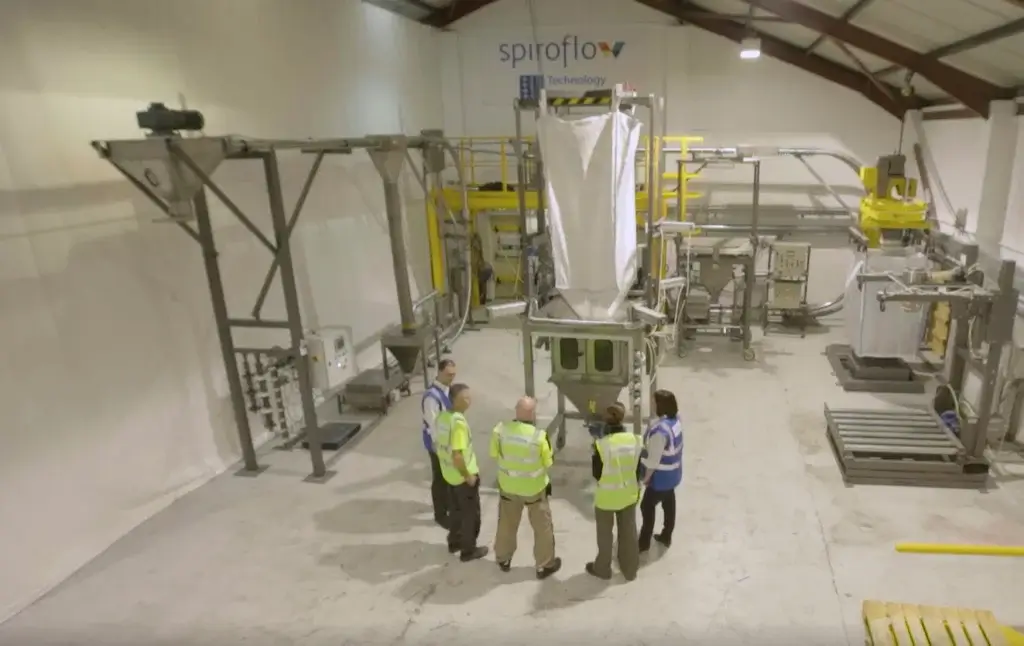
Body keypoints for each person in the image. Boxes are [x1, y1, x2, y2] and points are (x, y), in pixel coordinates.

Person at [490, 396, 562, 579]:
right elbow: (548, 462)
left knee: (506, 523)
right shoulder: (539, 437)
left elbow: (493, 454)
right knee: (542, 527)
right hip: (534, 490)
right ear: (532, 414)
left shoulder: (500, 431)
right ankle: (544, 564)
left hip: (508, 487)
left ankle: (503, 558)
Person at [586, 402, 643, 582]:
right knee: (629, 533)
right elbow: (638, 470)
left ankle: (602, 568)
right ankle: (630, 569)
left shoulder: (601, 445)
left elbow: (597, 474)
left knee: (605, 535)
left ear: (606, 419)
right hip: (628, 494)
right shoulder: (635, 440)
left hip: (607, 498)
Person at [434, 383, 489, 562]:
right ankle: (468, 550)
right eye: (465, 398)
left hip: (448, 475)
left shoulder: (443, 417)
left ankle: (454, 542)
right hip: (462, 476)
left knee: (456, 511)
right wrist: (468, 476)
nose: (469, 400)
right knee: (470, 516)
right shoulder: (458, 423)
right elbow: (458, 455)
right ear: (455, 401)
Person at [638, 390, 682, 553]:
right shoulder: (675, 421)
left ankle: (643, 542)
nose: (651, 405)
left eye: (654, 402)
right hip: (673, 474)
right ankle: (666, 535)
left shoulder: (659, 433)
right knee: (669, 502)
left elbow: (653, 461)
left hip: (660, 478)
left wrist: (646, 478)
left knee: (646, 507)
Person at [422, 359, 456, 529]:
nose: (452, 378)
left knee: (447, 476)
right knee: (440, 478)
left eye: (453, 375)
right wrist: (438, 447)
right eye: (449, 375)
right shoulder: (431, 398)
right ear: (440, 372)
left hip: (447, 442)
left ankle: (447, 505)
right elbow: (432, 423)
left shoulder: (447, 390)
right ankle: (440, 514)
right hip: (438, 444)